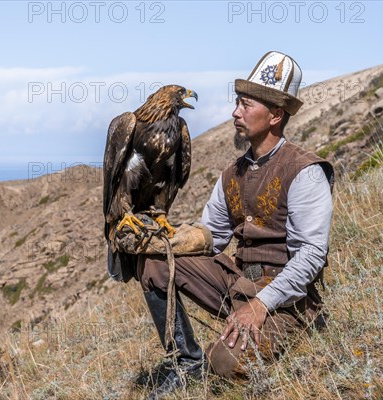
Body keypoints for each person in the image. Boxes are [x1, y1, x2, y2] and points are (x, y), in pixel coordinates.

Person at [137, 51, 335, 399]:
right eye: (237, 103)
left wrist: (260, 305)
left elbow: (311, 255)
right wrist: (165, 240)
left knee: (225, 364)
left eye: (245, 105)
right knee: (155, 263)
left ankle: (299, 330)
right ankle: (186, 360)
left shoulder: (304, 171)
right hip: (239, 286)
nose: (235, 113)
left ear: (275, 115)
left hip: (288, 301)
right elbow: (211, 238)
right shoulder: (232, 173)